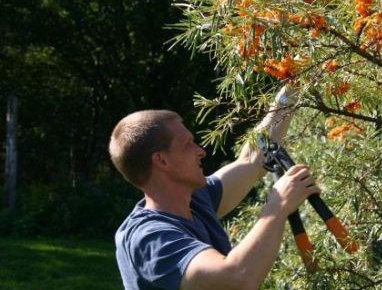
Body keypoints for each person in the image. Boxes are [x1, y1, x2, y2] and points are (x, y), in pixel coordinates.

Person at [108, 87, 318, 290]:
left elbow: (253, 158)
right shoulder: (148, 238)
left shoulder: (197, 199)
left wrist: (289, 92)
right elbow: (236, 279)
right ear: (162, 160)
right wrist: (278, 205)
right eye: (188, 145)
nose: (201, 151)